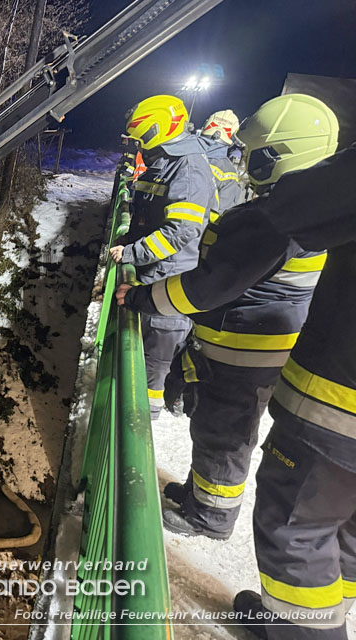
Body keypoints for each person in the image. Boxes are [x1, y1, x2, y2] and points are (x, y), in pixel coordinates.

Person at [115, 94, 338, 539]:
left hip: (244, 350)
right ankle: (200, 495)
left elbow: (204, 286)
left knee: (225, 432)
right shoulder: (313, 209)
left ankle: (210, 515)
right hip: (252, 343)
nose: (244, 160)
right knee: (214, 426)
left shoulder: (277, 218)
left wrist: (140, 298)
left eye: (256, 152)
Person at [230, 146, 356, 639]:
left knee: (296, 532)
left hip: (339, 408)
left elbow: (295, 207)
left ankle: (306, 629)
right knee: (343, 529)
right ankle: (316, 620)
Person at [109, 94, 217, 418]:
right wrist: (129, 240)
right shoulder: (165, 163)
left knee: (150, 378)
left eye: (141, 139)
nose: (139, 147)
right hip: (150, 282)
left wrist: (132, 252)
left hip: (167, 291)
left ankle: (142, 431)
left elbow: (182, 231)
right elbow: (146, 215)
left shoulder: (187, 167)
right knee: (137, 365)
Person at [197, 109, 244, 217]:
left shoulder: (182, 151)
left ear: (206, 125)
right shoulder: (228, 173)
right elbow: (219, 216)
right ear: (233, 135)